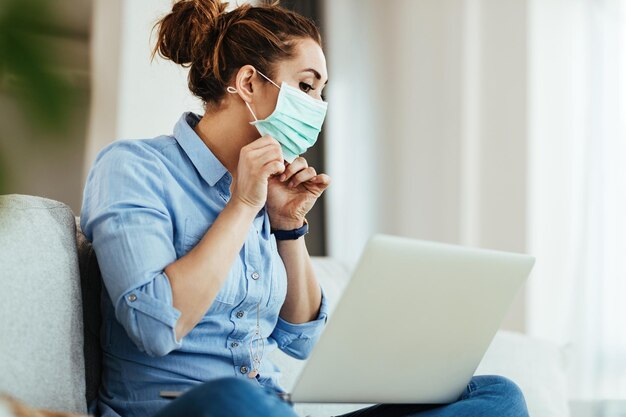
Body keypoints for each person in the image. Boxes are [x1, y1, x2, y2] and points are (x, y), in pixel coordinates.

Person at [79, 1, 531, 416]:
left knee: (495, 397)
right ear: (250, 83)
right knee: (234, 397)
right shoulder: (134, 168)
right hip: (187, 409)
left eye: (321, 92)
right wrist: (241, 205)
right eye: (307, 87)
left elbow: (302, 341)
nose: (318, 107)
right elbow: (154, 328)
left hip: (270, 408)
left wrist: (287, 226)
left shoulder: (266, 188)